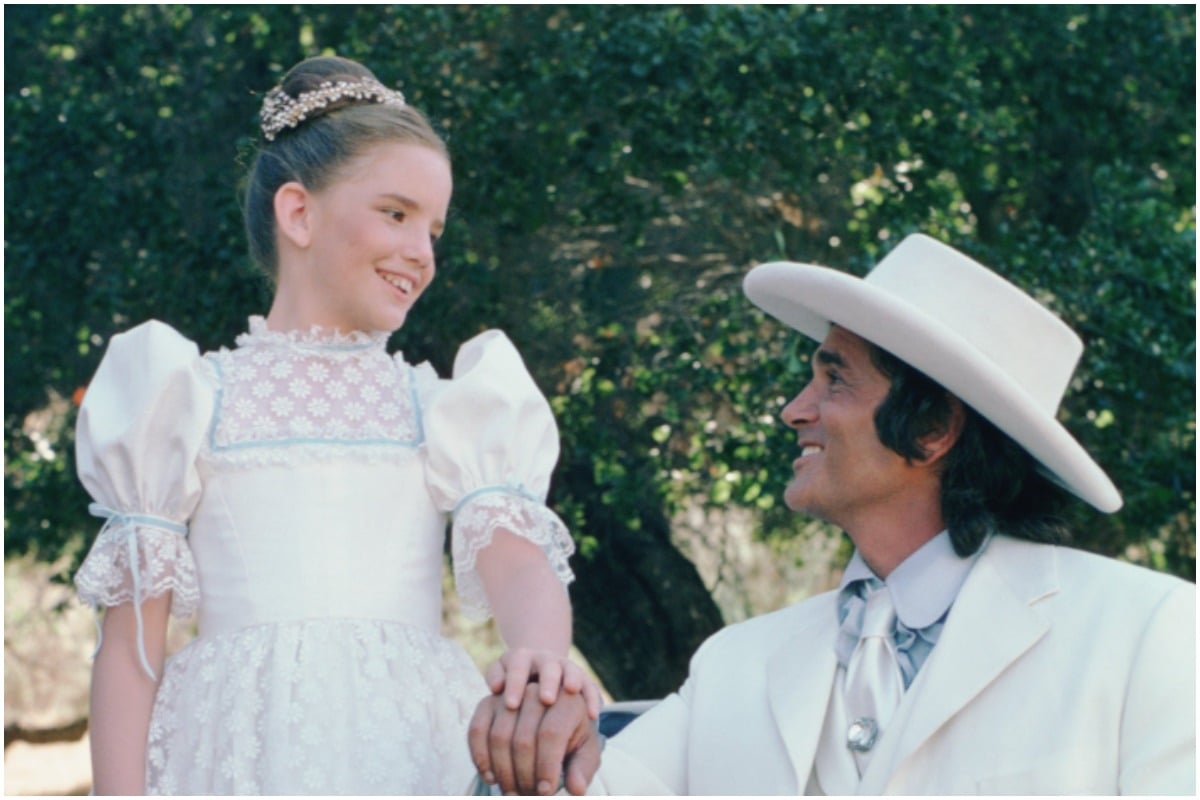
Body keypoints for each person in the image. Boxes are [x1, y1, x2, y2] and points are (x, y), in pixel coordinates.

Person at [467, 232, 1196, 795]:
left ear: (933, 428)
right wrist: (544, 735)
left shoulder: (1146, 633)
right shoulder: (734, 666)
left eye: (835, 378)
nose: (794, 410)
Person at [73, 55, 598, 795]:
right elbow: (131, 653)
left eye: (435, 229)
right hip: (236, 752)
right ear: (298, 214)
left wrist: (541, 652)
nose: (422, 252)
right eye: (396, 213)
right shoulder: (188, 399)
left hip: (410, 743)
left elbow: (516, 561)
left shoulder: (441, 406)